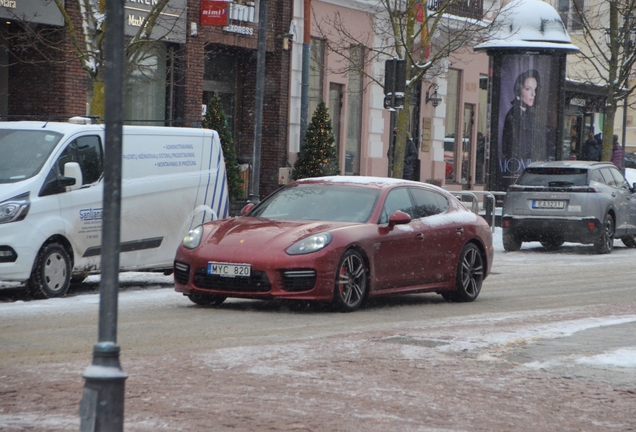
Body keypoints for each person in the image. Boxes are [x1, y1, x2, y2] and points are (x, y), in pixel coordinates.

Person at [502, 69, 541, 162]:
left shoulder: (530, 115)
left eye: (535, 89)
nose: (533, 94)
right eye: (528, 89)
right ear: (518, 92)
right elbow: (511, 148)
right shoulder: (513, 116)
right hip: (518, 164)